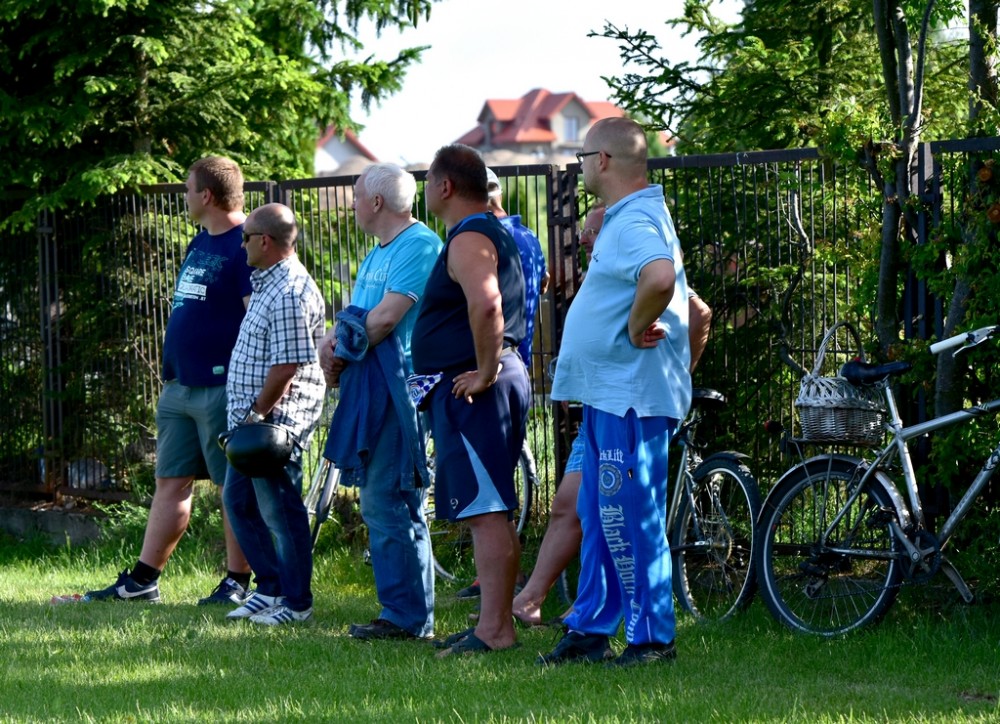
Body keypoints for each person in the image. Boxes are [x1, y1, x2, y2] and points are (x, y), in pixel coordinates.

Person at [539, 117, 692, 667]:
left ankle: (652, 640)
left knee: (630, 517)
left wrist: (634, 326)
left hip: (630, 399)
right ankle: (590, 629)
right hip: (611, 396)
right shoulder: (626, 218)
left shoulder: (634, 223)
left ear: (601, 160)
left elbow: (659, 277)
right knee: (602, 517)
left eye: (582, 156)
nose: (580, 166)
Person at [86, 156, 253, 605]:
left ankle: (237, 582)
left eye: (187, 189)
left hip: (221, 387)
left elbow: (255, 317)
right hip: (179, 384)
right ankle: (143, 581)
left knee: (231, 486)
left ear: (206, 195)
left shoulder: (245, 244)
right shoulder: (201, 240)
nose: (184, 197)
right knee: (171, 482)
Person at [410, 144, 530, 656]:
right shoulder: (485, 230)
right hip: (483, 385)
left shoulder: (470, 236)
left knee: (486, 511)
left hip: (478, 391)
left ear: (445, 186)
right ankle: (493, 623)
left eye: (427, 182)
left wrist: (484, 371)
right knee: (491, 508)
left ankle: (495, 631)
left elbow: (486, 304)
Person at [318, 163, 442, 641]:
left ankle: (407, 618)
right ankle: (402, 613)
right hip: (372, 387)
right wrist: (333, 346)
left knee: (389, 499)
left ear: (376, 202)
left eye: (355, 196)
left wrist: (339, 350)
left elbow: (385, 319)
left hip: (398, 389)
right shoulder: (377, 251)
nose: (351, 205)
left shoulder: (419, 245)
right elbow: (357, 321)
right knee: (382, 500)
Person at [221, 202, 326, 626]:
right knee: (239, 502)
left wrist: (257, 414)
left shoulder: (289, 292)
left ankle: (297, 603)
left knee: (280, 512)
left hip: (272, 424)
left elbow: (285, 367)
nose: (241, 245)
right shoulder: (268, 281)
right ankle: (270, 588)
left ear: (264, 241)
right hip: (252, 423)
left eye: (245, 237)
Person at [453, 168, 548, 602]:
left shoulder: (484, 237)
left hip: (490, 367)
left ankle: (494, 588)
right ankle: (504, 585)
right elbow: (543, 283)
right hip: (519, 361)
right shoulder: (528, 238)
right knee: (501, 489)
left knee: (490, 497)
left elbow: (483, 302)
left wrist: (484, 366)